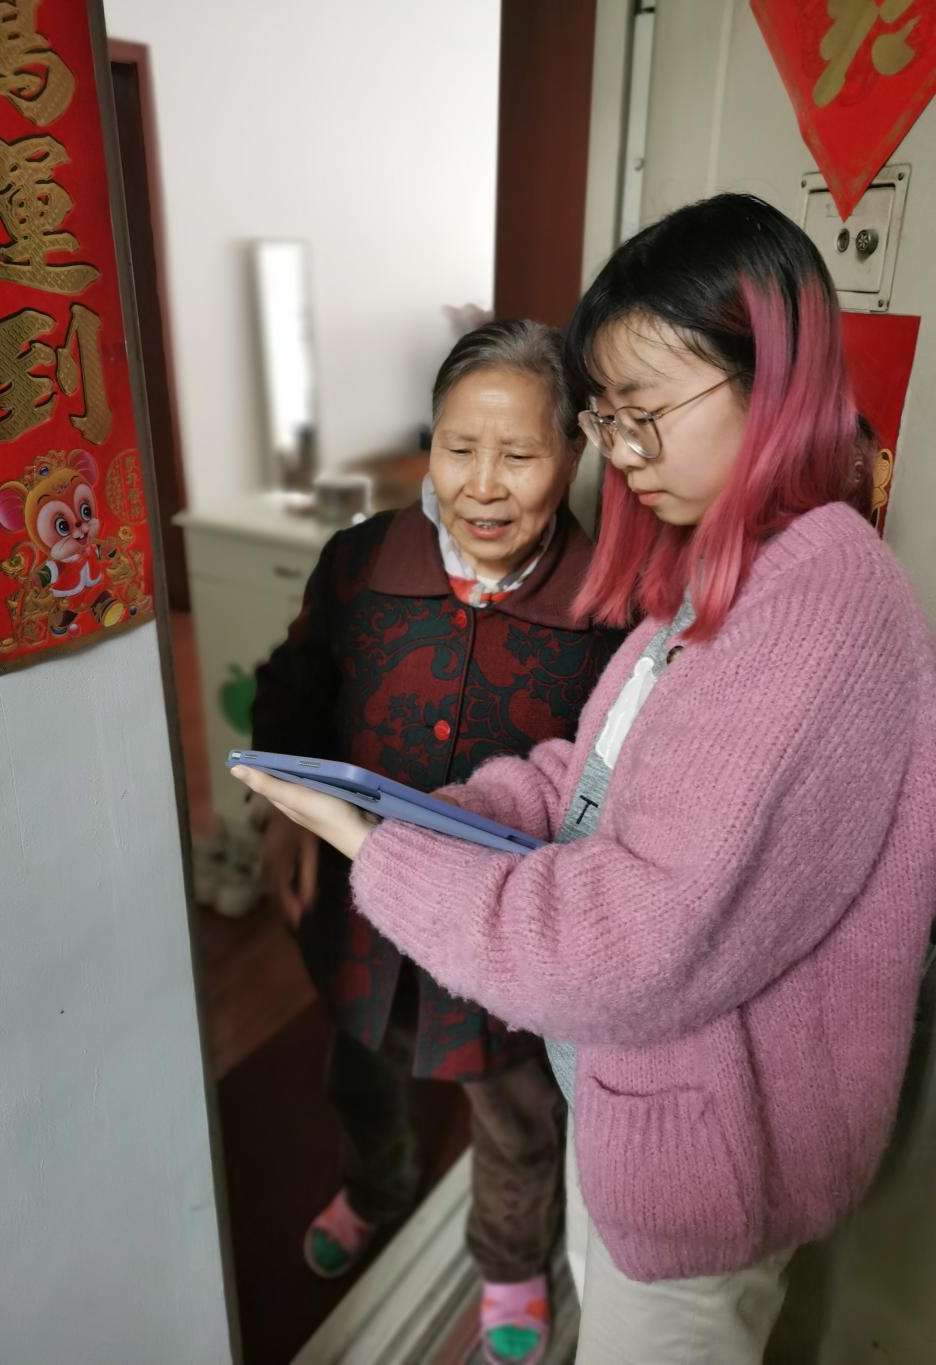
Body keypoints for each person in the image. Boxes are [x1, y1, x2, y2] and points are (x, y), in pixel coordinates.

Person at [233, 195, 936, 1365]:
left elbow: (634, 940)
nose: (625, 454)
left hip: (704, 1165)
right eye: (609, 418)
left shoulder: (818, 608)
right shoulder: (734, 564)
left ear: (774, 381)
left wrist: (380, 847)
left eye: (642, 414)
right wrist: (443, 812)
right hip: (638, 1116)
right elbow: (595, 771)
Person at [251, 319, 624, 1364]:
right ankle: (375, 1187)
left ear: (575, 451)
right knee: (360, 1067)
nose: (483, 486)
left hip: (505, 928)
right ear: (431, 443)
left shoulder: (611, 604)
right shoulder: (361, 562)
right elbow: (293, 688)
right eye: (459, 449)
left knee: (514, 1113)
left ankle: (509, 1261)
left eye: (520, 454)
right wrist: (278, 817)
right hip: (362, 912)